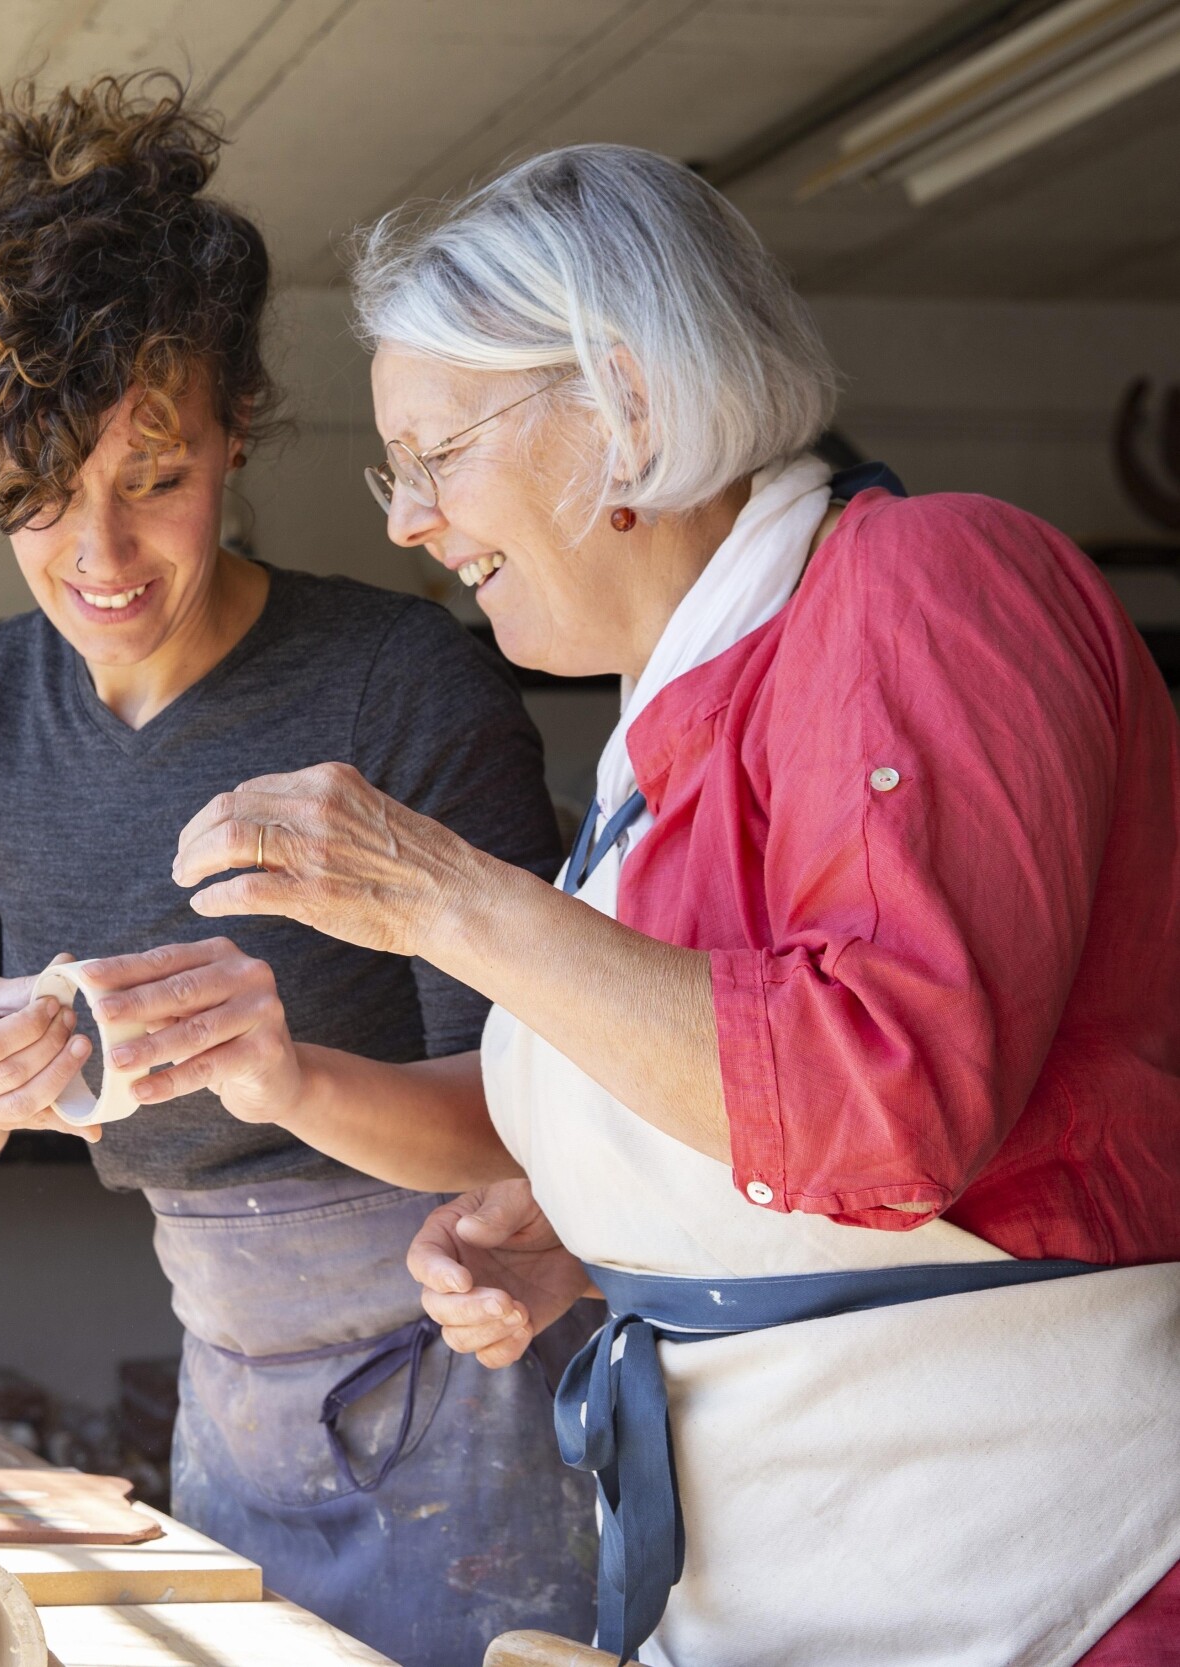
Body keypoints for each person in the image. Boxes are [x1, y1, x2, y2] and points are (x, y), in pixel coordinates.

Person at [139, 145, 1180, 1663]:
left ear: (623, 400)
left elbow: (885, 1107)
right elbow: (653, 1090)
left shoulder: (925, 583)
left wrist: (443, 893)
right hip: (806, 1575)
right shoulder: (663, 719)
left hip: (1043, 1575)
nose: (409, 521)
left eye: (438, 451)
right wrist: (553, 1214)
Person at [0, 75, 594, 1666]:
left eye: (154, 474)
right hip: (223, 1377)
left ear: (237, 425)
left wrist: (287, 1074)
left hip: (470, 1352)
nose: (101, 557)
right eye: (41, 497)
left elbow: (540, 1111)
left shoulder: (399, 681)